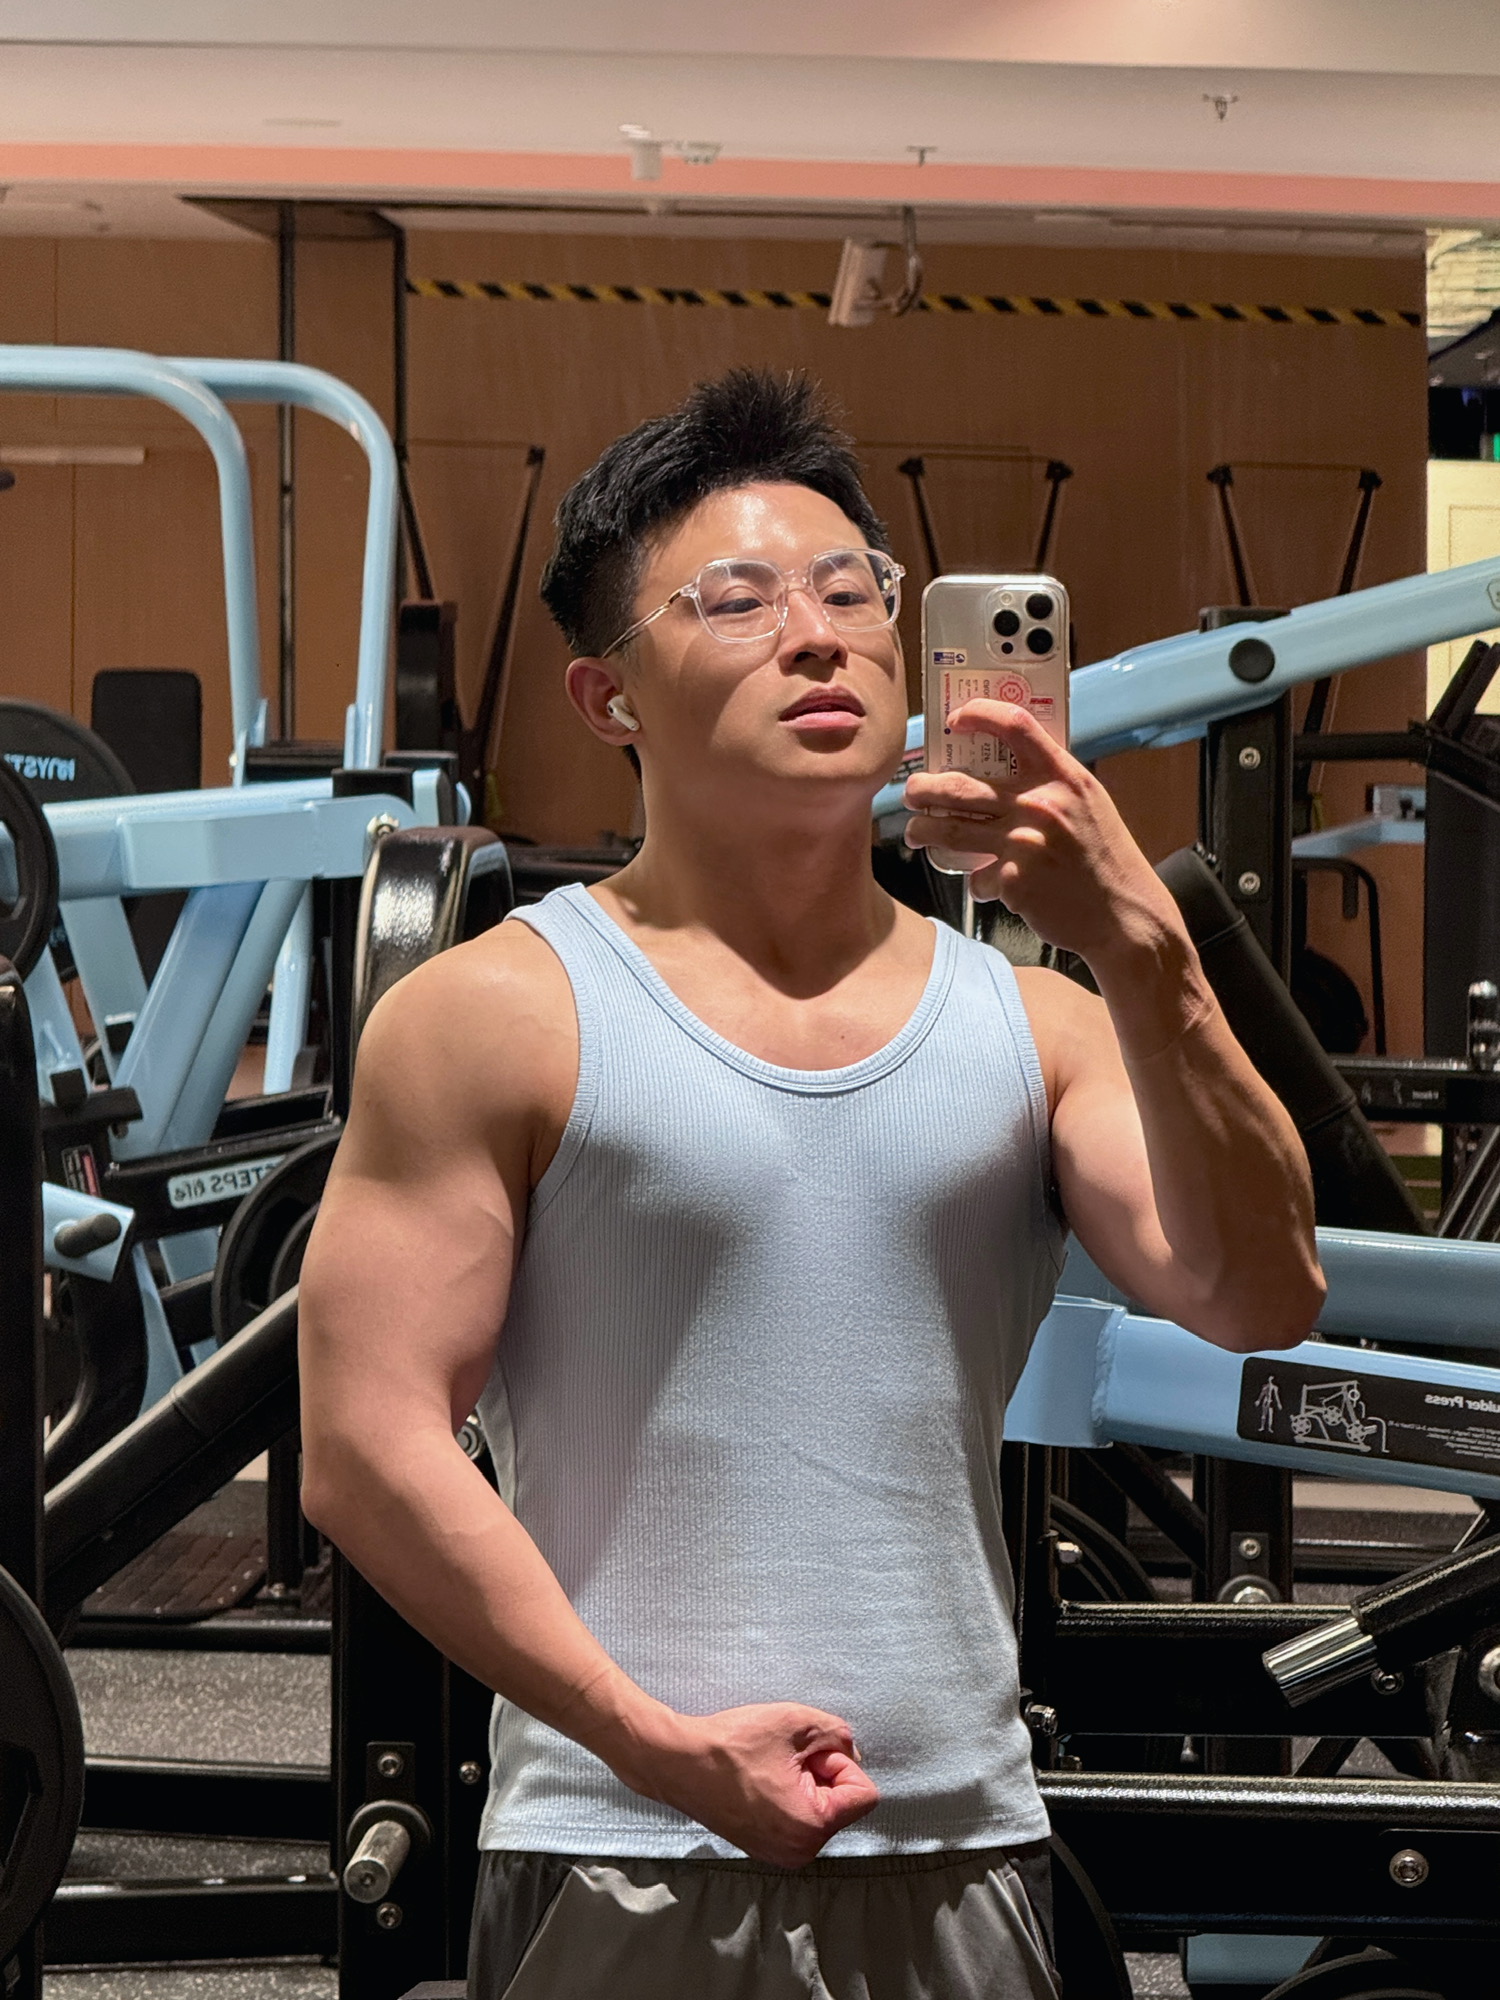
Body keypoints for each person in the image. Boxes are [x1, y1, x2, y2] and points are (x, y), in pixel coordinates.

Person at [298, 368, 1325, 1999]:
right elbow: (363, 1449)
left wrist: (1145, 946)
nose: (818, 635)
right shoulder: (492, 1016)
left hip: (962, 1843)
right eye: (739, 598)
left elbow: (1263, 1292)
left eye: (853, 592)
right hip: (625, 1845)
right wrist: (658, 1745)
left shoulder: (1040, 1025)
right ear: (608, 697)